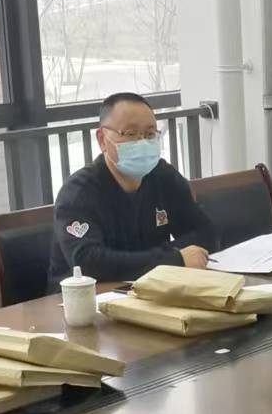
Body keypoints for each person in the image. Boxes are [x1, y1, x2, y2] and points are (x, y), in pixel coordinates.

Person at [48, 92, 217, 286]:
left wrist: (149, 260)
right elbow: (88, 262)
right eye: (130, 133)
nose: (142, 142)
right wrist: (172, 258)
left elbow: (207, 233)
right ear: (102, 139)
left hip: (150, 289)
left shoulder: (162, 175)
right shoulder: (78, 192)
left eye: (150, 134)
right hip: (84, 298)